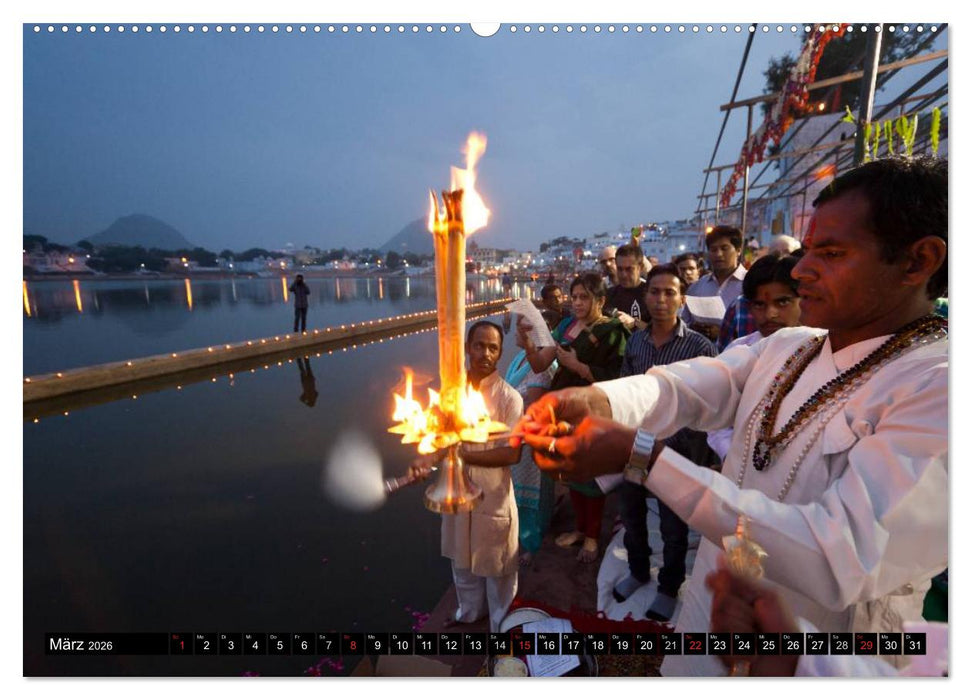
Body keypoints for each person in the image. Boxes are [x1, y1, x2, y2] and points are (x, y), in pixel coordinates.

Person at [518, 156, 948, 676]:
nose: (801, 269)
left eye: (831, 252)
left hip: (817, 646)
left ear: (918, 261)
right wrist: (602, 402)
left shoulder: (938, 386)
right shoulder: (791, 345)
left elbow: (843, 552)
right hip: (714, 596)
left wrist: (644, 460)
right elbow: (698, 383)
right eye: (808, 249)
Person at [614, 264, 716, 621]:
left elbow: (710, 404)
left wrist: (691, 449)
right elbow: (626, 390)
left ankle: (669, 586)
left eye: (669, 292)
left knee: (673, 524)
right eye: (654, 292)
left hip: (678, 448)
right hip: (638, 444)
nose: (661, 299)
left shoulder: (700, 346)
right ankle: (638, 571)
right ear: (646, 296)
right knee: (631, 513)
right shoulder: (637, 341)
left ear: (682, 299)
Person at [409, 320, 524, 633]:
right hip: (456, 492)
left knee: (498, 566)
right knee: (461, 562)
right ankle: (469, 613)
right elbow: (437, 439)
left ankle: (501, 626)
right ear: (467, 348)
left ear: (500, 353)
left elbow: (512, 454)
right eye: (479, 345)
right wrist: (425, 459)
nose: (485, 353)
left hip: (493, 495)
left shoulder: (509, 398)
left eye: (493, 347)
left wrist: (463, 455)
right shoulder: (450, 395)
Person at [517, 272, 628, 562]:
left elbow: (618, 377)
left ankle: (592, 536)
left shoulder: (613, 331)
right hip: (563, 408)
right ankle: (580, 529)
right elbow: (541, 364)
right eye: (574, 296)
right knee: (572, 474)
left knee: (591, 476)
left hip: (593, 409)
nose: (577, 302)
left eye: (584, 297)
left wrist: (578, 366)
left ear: (600, 300)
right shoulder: (567, 325)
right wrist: (528, 344)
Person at [708, 251, 804, 460]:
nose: (770, 314)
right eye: (760, 305)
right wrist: (732, 457)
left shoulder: (825, 348)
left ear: (803, 300)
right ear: (749, 306)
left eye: (782, 302)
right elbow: (718, 421)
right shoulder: (740, 350)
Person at [682, 226, 747, 342]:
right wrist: (694, 328)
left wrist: (723, 332)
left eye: (724, 248)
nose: (719, 254)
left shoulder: (749, 284)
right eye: (713, 249)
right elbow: (684, 323)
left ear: (738, 250)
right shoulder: (696, 287)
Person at [605, 243, 650, 333]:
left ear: (640, 268)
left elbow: (660, 333)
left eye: (629, 269)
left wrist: (635, 323)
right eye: (620, 269)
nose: (623, 275)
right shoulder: (609, 295)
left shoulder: (652, 295)